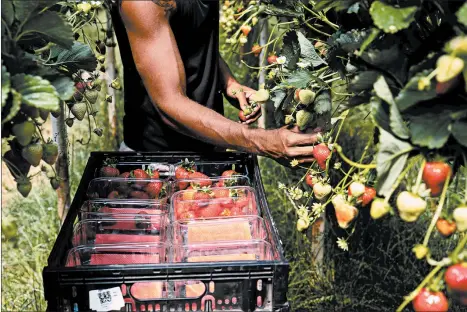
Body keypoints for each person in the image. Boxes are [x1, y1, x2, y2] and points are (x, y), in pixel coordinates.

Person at [109, 0, 318, 163]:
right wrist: (259, 140)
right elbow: (169, 104)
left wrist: (229, 83)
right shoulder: (145, 4)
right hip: (157, 164)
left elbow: (191, 40)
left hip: (210, 149)